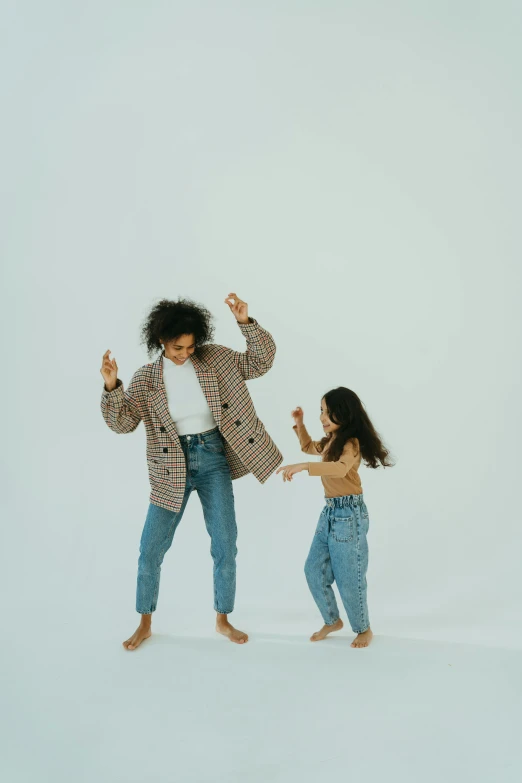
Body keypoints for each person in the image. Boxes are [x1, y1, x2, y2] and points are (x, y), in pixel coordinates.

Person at [100, 293, 282, 649]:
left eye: (190, 346)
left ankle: (223, 619)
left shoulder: (216, 358)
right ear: (161, 341)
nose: (186, 353)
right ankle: (145, 622)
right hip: (170, 467)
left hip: (214, 458)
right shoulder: (144, 379)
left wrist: (246, 323)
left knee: (225, 543)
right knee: (150, 548)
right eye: (178, 347)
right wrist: (111, 386)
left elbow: (261, 362)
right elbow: (122, 423)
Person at [277, 388, 393, 648]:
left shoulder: (350, 443)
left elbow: (340, 469)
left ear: (346, 414)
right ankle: (332, 619)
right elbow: (308, 446)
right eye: (321, 411)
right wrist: (300, 424)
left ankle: (363, 628)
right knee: (313, 569)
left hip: (349, 514)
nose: (323, 417)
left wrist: (305, 467)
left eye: (329, 412)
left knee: (349, 576)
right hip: (330, 512)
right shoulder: (331, 440)